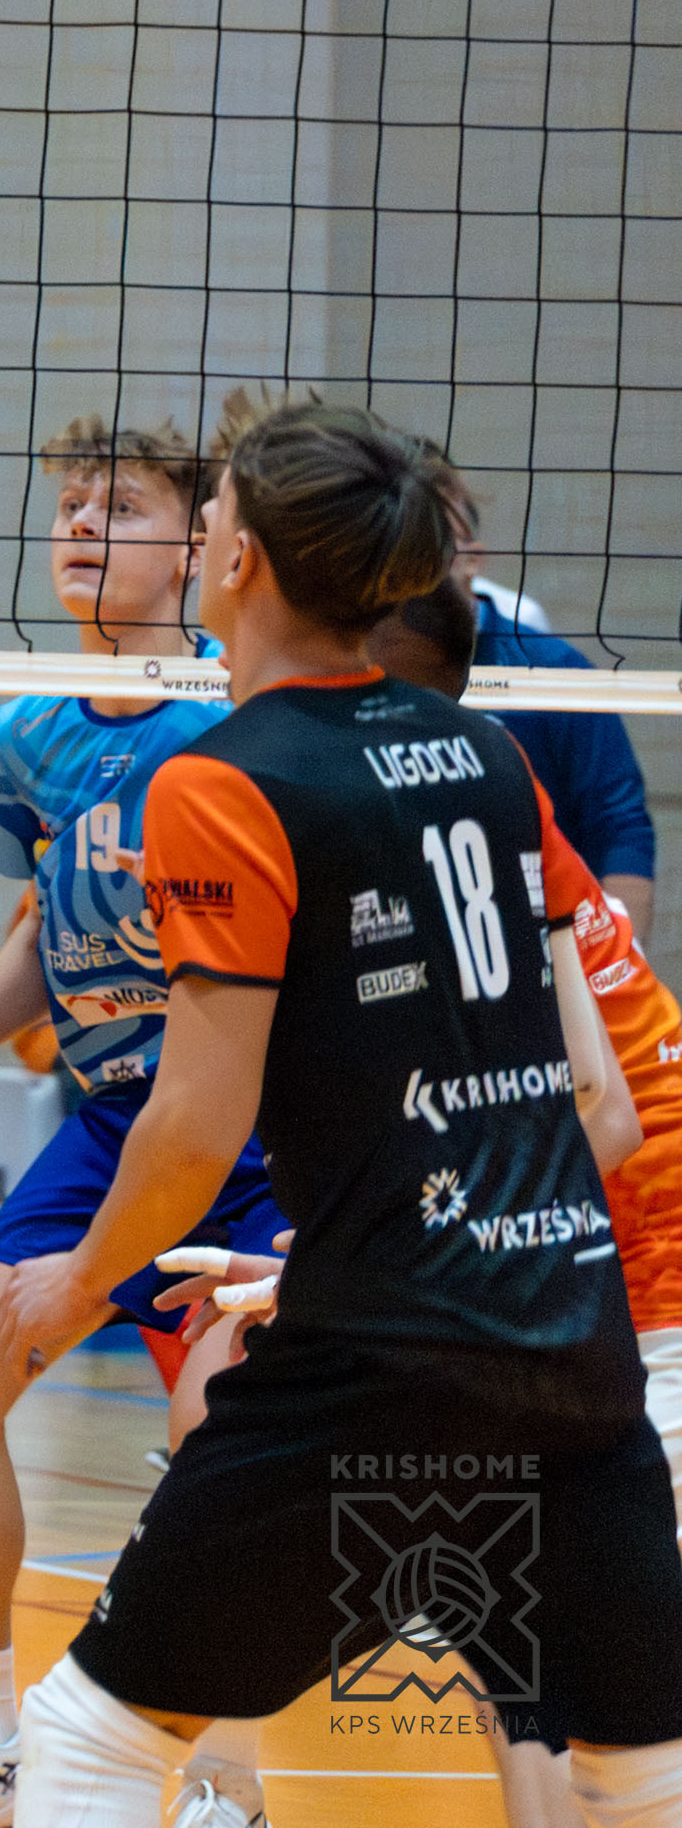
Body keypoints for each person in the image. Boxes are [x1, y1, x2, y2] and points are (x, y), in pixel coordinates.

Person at [0, 397, 680, 1827]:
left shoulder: (220, 782)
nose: (204, 524)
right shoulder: (487, 756)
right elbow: (579, 1095)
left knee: (86, 1737)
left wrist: (80, 1279)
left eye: (216, 507)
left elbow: (192, 1124)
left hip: (379, 1363)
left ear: (238, 559)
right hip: (572, 1344)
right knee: (635, 1769)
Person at [0, 418, 294, 1828]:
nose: (82, 527)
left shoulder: (239, 720)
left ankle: (225, 1783)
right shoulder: (25, 728)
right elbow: (47, 923)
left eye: (120, 506)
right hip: (107, 1123)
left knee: (224, 1437)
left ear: (199, 545)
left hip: (258, 1120)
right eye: (69, 507)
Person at [377, 562, 682, 1826]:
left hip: (644, 1274)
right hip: (575, 1271)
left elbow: (599, 1118)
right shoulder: (453, 792)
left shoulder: (462, 819)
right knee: (500, 1595)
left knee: (606, 1670)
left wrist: (374, 1257)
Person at [445, 480, 657, 937]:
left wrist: (624, 961)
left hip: (541, 937)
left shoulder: (552, 669)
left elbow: (619, 825)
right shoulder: (361, 665)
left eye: (433, 538)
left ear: (472, 558)